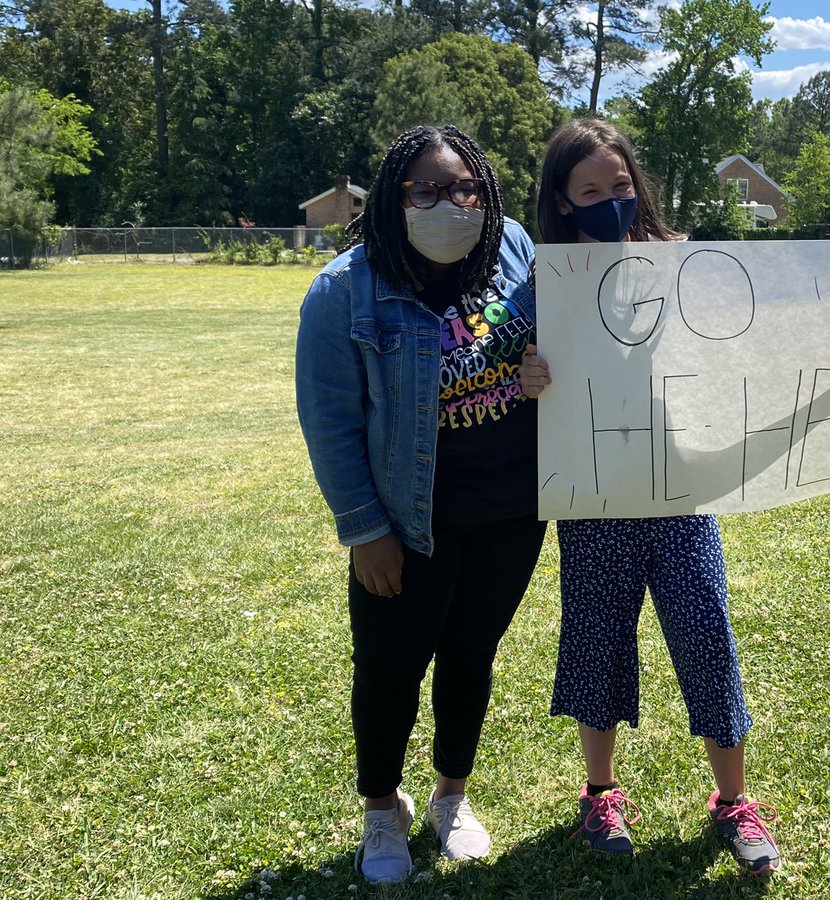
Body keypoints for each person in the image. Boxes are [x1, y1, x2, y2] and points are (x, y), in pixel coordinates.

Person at [518, 117, 830, 876]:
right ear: (563, 203)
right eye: (590, 191)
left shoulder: (683, 263)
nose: (610, 201)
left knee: (707, 639)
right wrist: (527, 378)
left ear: (638, 185)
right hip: (596, 499)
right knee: (597, 641)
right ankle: (600, 795)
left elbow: (766, 342)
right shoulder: (547, 282)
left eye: (621, 185)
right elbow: (520, 370)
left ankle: (733, 801)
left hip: (681, 494)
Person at [295, 125, 544, 885]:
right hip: (407, 519)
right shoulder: (345, 289)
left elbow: (565, 339)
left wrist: (545, 370)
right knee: (388, 668)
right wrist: (366, 530)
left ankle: (450, 797)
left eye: (465, 187)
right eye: (427, 190)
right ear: (395, 197)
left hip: (511, 510)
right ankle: (380, 809)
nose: (450, 203)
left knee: (472, 657)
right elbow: (330, 421)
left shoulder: (515, 251)